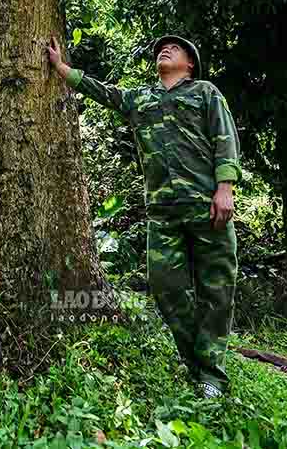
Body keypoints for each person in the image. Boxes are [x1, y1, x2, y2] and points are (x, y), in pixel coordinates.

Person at [48, 34, 241, 398]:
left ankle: (212, 376)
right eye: (160, 49)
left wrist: (225, 187)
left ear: (191, 63)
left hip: (207, 205)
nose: (165, 50)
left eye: (176, 48)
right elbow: (101, 90)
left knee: (218, 289)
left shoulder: (205, 92)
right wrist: (61, 69)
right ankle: (195, 362)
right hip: (163, 212)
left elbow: (224, 137)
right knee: (166, 286)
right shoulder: (140, 98)